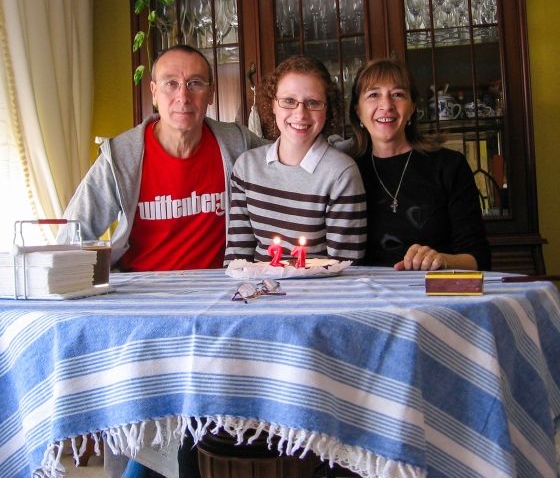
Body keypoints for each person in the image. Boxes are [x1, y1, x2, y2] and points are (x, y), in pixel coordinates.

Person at [58, 44, 264, 478]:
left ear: (210, 93)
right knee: (164, 424)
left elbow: (290, 161)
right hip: (146, 311)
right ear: (153, 92)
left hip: (221, 307)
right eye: (170, 83)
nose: (182, 96)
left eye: (194, 84)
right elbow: (72, 234)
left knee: (193, 421)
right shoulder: (122, 156)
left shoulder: (236, 144)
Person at [349, 58, 491, 271]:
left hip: (435, 293)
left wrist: (442, 260)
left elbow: (479, 258)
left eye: (398, 94)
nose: (386, 105)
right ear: (358, 111)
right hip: (368, 298)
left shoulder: (450, 166)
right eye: (373, 95)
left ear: (413, 108)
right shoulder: (347, 172)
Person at [224, 55, 367, 264]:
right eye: (289, 101)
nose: (300, 114)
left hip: (318, 295)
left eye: (313, 103)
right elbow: (237, 258)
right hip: (258, 293)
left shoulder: (341, 173)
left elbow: (346, 268)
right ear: (273, 104)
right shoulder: (246, 167)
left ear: (328, 109)